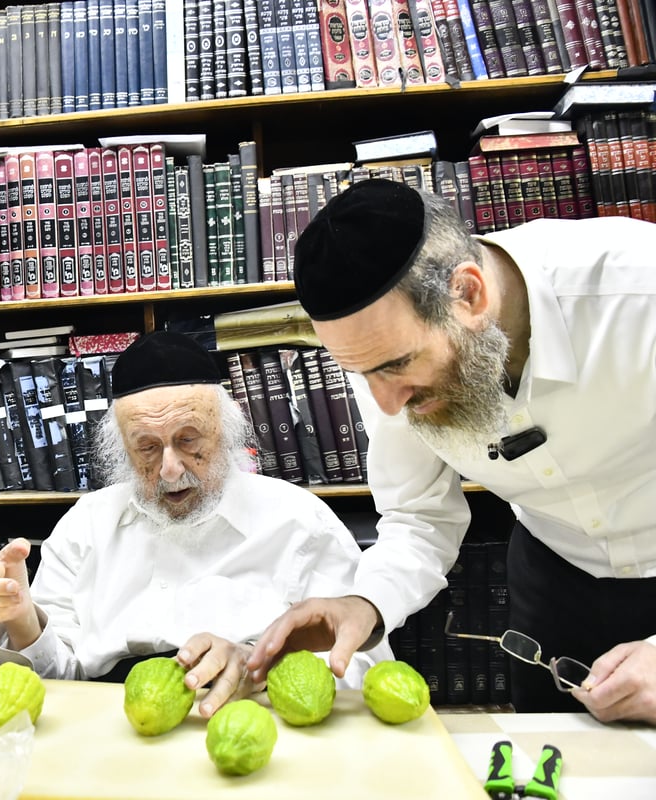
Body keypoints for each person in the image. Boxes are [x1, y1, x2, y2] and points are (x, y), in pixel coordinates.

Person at [247, 178, 656, 723]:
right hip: (555, 578)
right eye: (361, 372)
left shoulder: (638, 292)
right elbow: (419, 516)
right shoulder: (386, 356)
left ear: (469, 294)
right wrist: (365, 604)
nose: (387, 405)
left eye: (394, 365)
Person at [0, 331, 391, 718]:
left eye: (188, 440)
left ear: (225, 432)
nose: (169, 469)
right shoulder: (84, 526)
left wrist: (260, 668)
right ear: (121, 451)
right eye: (146, 447)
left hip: (250, 727)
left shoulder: (299, 521)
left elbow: (362, 667)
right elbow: (54, 684)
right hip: (112, 732)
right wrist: (20, 618)